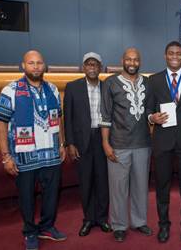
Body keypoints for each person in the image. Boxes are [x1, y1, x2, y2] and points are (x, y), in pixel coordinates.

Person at [0, 50, 67, 250]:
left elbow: (59, 119)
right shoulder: (11, 90)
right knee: (26, 197)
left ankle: (47, 226)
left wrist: (61, 144)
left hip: (51, 155)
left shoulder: (52, 89)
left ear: (44, 66)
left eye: (39, 63)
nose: (35, 66)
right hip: (24, 157)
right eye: (31, 63)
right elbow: (0, 123)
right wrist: (6, 156)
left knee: (51, 195)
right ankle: (30, 232)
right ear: (23, 66)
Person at [147, 41, 181, 243]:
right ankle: (164, 225)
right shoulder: (154, 80)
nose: (175, 56)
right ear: (165, 55)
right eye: (171, 53)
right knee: (162, 185)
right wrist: (153, 118)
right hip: (162, 140)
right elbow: (148, 109)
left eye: (178, 53)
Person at [100, 48, 152, 242]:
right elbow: (105, 116)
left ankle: (139, 221)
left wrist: (154, 117)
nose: (132, 63)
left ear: (140, 61)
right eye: (129, 59)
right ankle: (119, 225)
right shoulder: (110, 83)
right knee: (118, 187)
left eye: (136, 60)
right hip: (118, 145)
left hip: (143, 144)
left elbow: (148, 111)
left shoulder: (147, 82)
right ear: (122, 60)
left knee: (140, 186)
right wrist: (105, 143)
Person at [64, 52, 111, 237]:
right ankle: (88, 219)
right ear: (84, 67)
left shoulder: (107, 86)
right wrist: (70, 143)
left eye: (95, 64)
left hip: (103, 139)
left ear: (100, 67)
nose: (92, 68)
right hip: (82, 141)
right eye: (89, 64)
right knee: (86, 182)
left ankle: (101, 218)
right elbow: (67, 118)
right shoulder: (72, 87)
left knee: (102, 180)